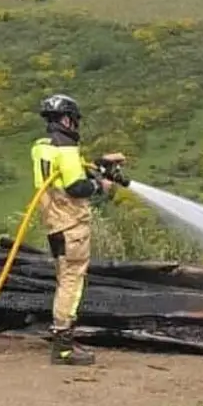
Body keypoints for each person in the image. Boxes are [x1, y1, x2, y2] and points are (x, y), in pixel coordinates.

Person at [30, 94, 126, 365]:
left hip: (54, 224)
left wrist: (96, 164)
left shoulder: (42, 147)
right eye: (73, 120)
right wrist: (100, 186)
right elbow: (76, 187)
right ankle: (63, 347)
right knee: (71, 281)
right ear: (67, 118)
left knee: (64, 279)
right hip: (72, 226)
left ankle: (63, 340)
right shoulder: (67, 149)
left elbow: (62, 176)